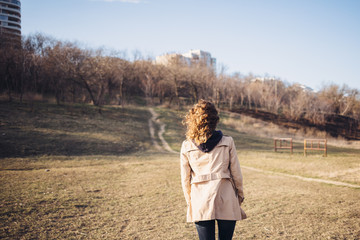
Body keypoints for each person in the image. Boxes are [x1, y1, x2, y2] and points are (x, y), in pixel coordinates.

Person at [180, 99, 246, 240]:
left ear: (192, 120)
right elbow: (236, 174)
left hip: (200, 199)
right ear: (215, 120)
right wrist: (239, 196)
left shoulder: (186, 145)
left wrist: (190, 202)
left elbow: (185, 180)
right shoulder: (228, 141)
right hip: (226, 196)